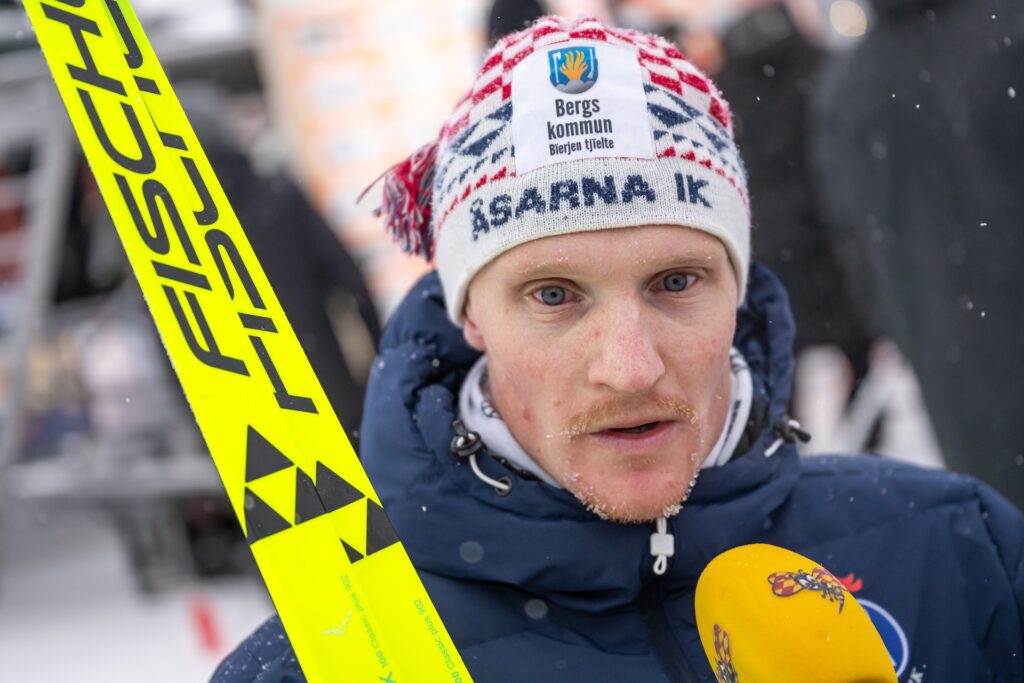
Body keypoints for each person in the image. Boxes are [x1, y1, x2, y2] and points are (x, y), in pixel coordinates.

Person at [213, 16, 1024, 682]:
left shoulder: (956, 552)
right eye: (555, 295)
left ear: (736, 288)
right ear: (470, 316)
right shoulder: (313, 666)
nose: (631, 366)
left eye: (675, 282)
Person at [810, 0, 1024, 511]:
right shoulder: (1006, 33)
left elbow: (848, 229)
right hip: (982, 311)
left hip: (944, 334)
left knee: (1003, 509)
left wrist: (895, 321)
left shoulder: (846, 85)